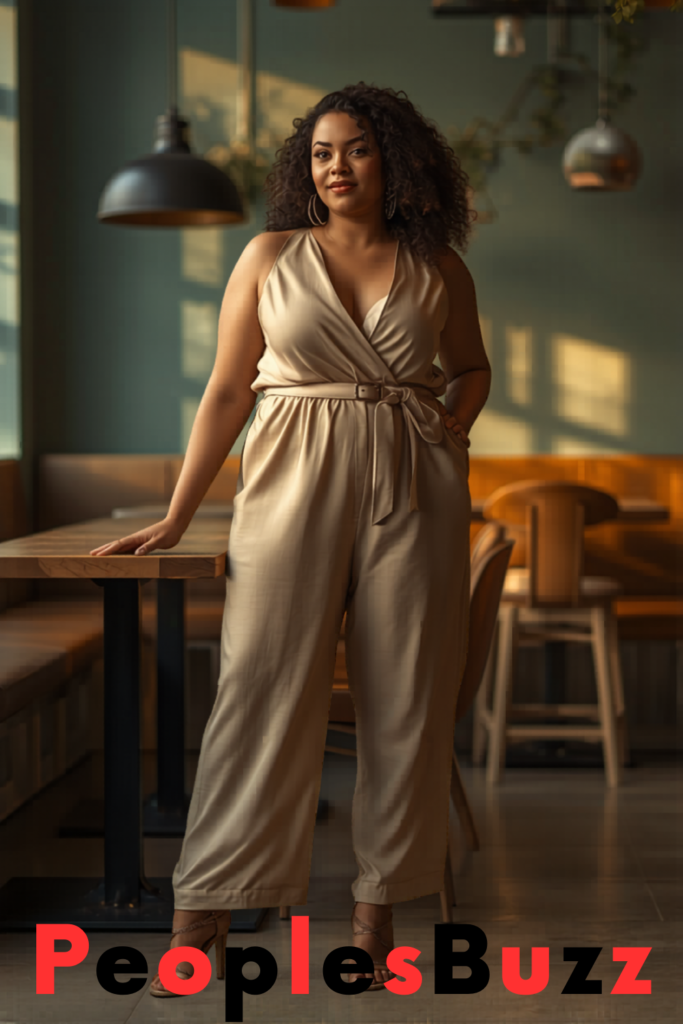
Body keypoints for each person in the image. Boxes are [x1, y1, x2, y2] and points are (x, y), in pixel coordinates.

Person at [90, 81, 491, 996]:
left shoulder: (438, 264)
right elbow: (228, 389)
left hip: (415, 484)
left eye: (356, 149)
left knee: (406, 697)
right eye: (320, 152)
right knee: (258, 686)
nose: (335, 167)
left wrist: (452, 424)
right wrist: (178, 512)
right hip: (289, 478)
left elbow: (470, 368)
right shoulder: (269, 255)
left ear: (395, 159)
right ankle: (202, 916)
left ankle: (376, 916)